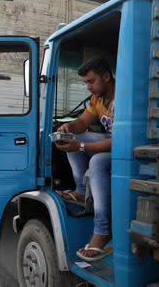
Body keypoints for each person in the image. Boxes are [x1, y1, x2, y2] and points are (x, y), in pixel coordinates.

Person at [54, 57, 114, 261]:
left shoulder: (122, 96)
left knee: (97, 162)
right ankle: (81, 191)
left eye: (91, 81)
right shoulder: (97, 99)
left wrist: (80, 146)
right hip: (113, 143)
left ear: (106, 77)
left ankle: (102, 231)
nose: (88, 87)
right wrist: (70, 128)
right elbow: (82, 122)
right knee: (71, 137)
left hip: (127, 148)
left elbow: (118, 141)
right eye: (86, 82)